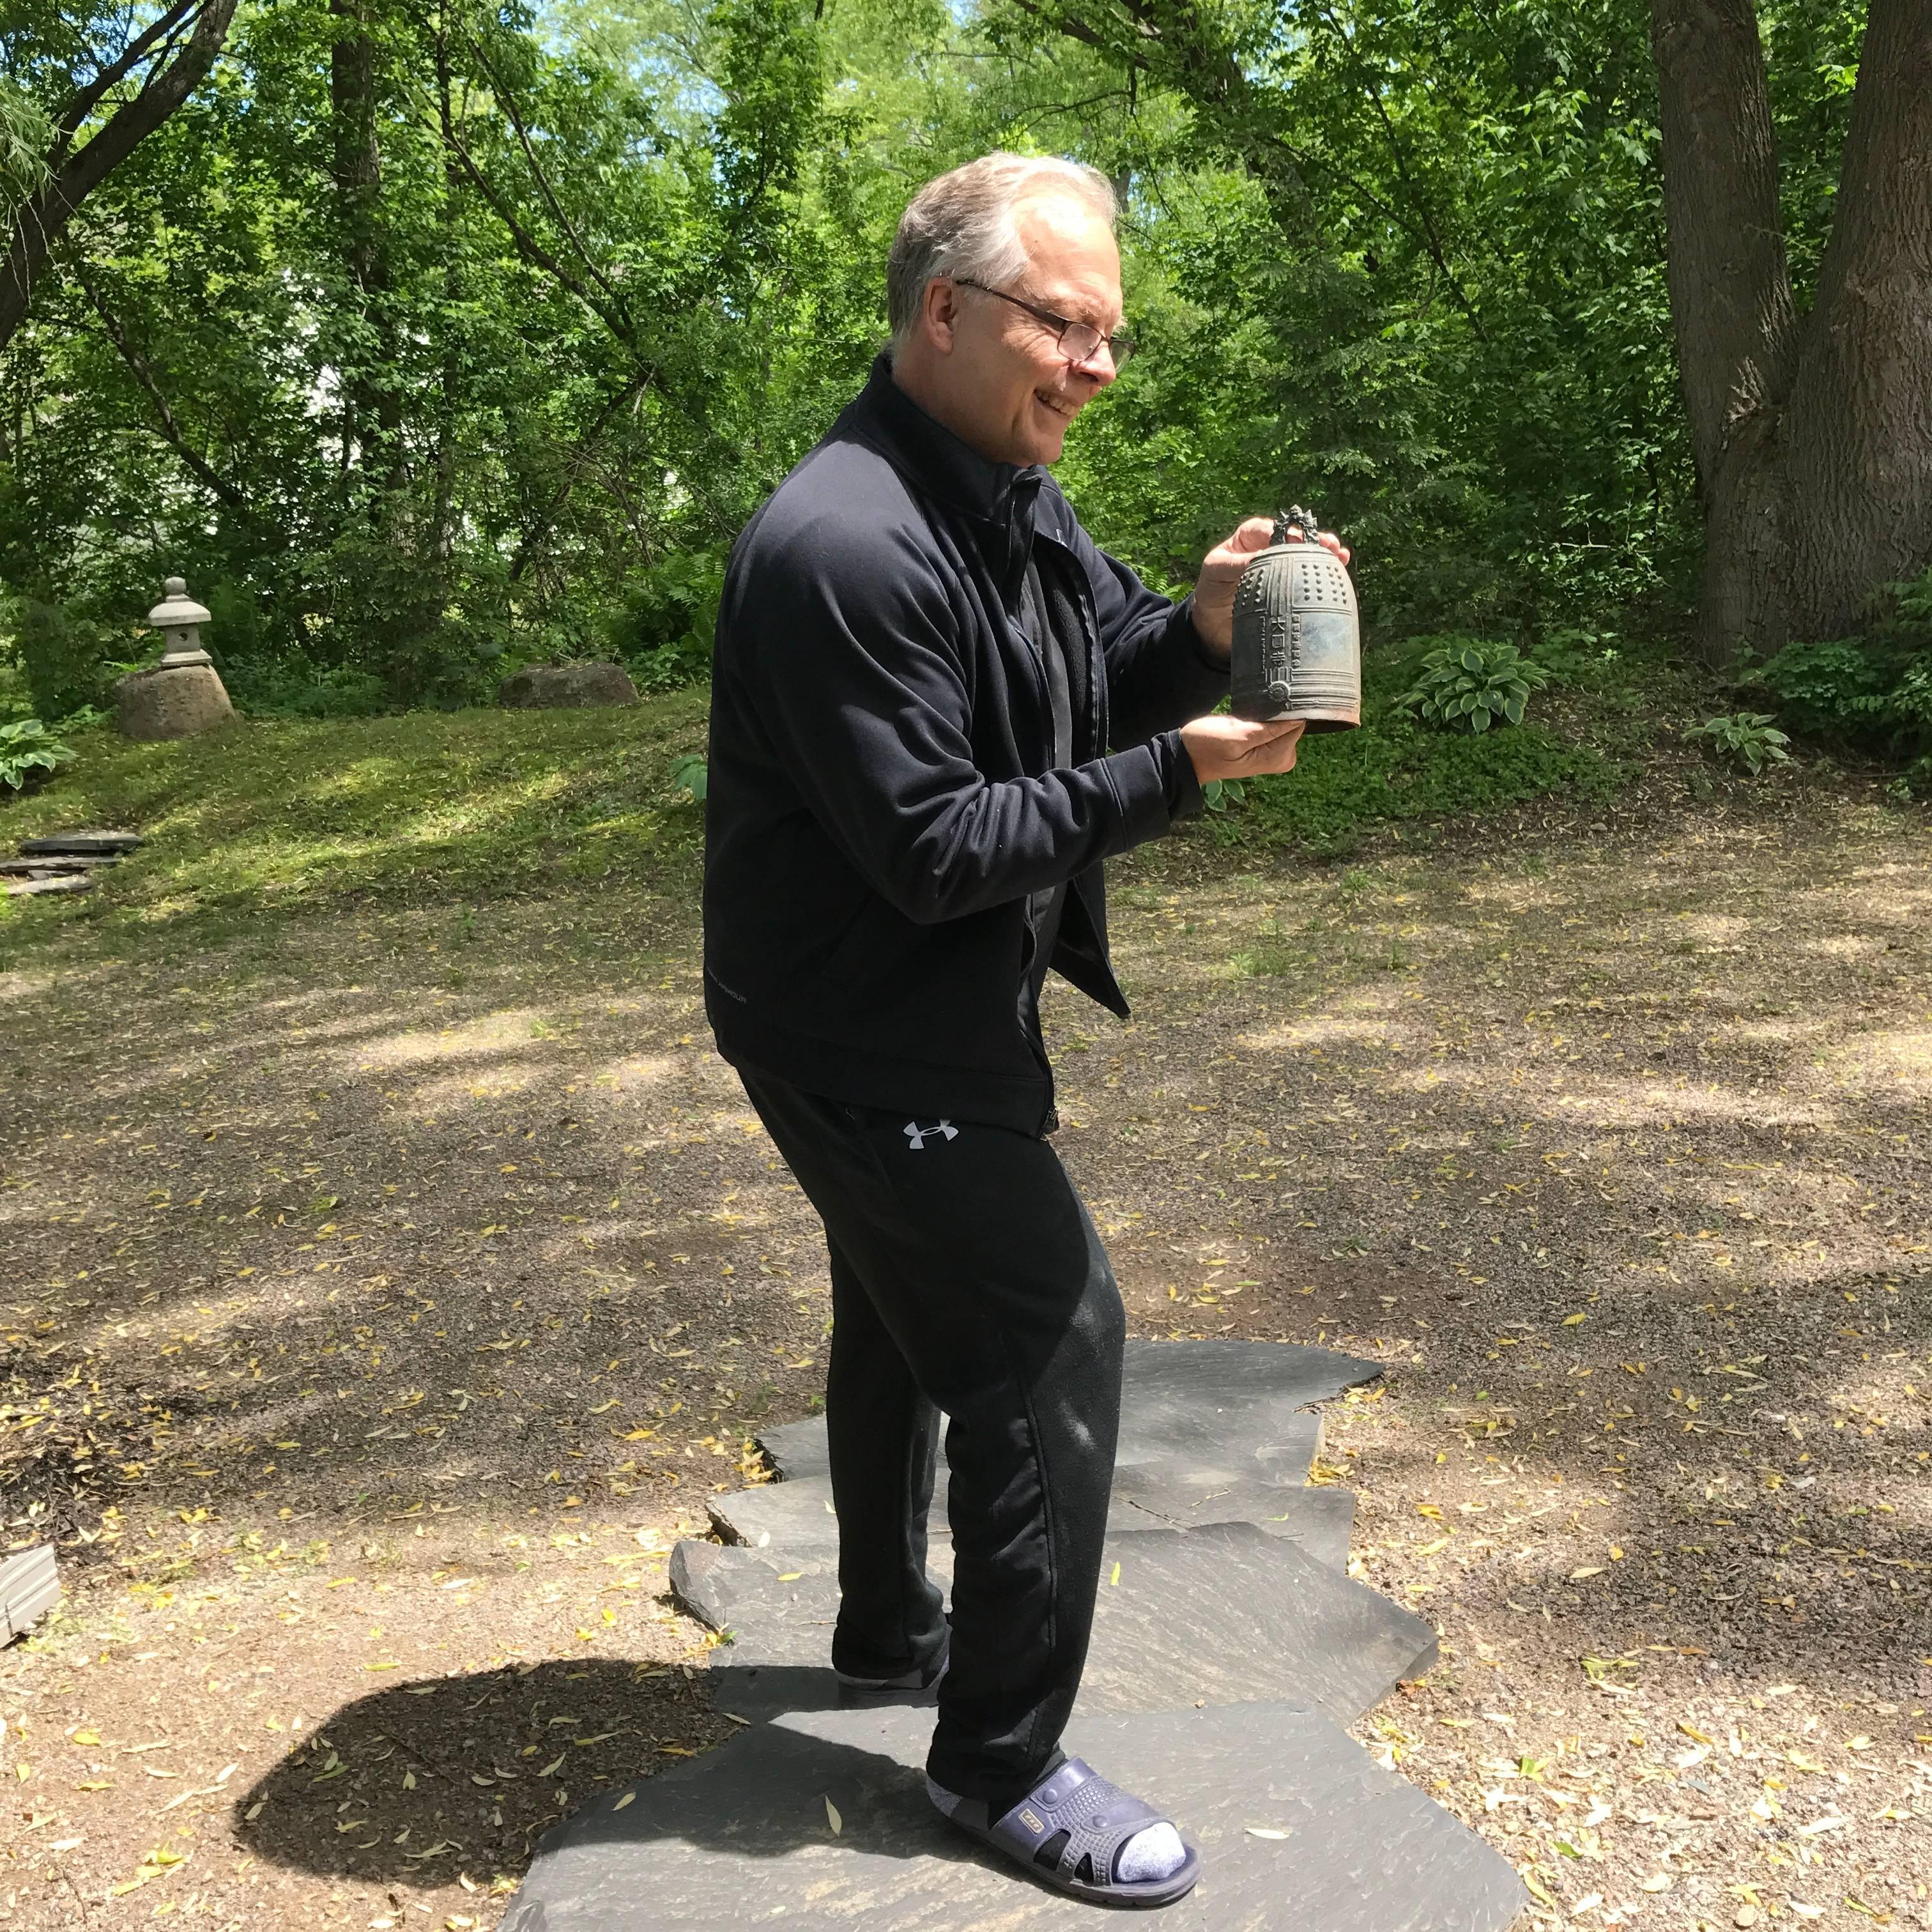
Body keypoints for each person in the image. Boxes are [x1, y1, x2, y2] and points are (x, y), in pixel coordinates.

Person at [702, 151, 1348, 1907]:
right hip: (860, 1022)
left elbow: (1094, 663)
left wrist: (1204, 632)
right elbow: (930, 851)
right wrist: (1173, 776)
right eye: (1067, 326)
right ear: (944, 311)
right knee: (1048, 1334)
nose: (1097, 367)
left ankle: (878, 1626)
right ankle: (1000, 1764)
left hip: (895, 1002)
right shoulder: (840, 543)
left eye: (1110, 335)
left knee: (901, 1308)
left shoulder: (1001, 486)